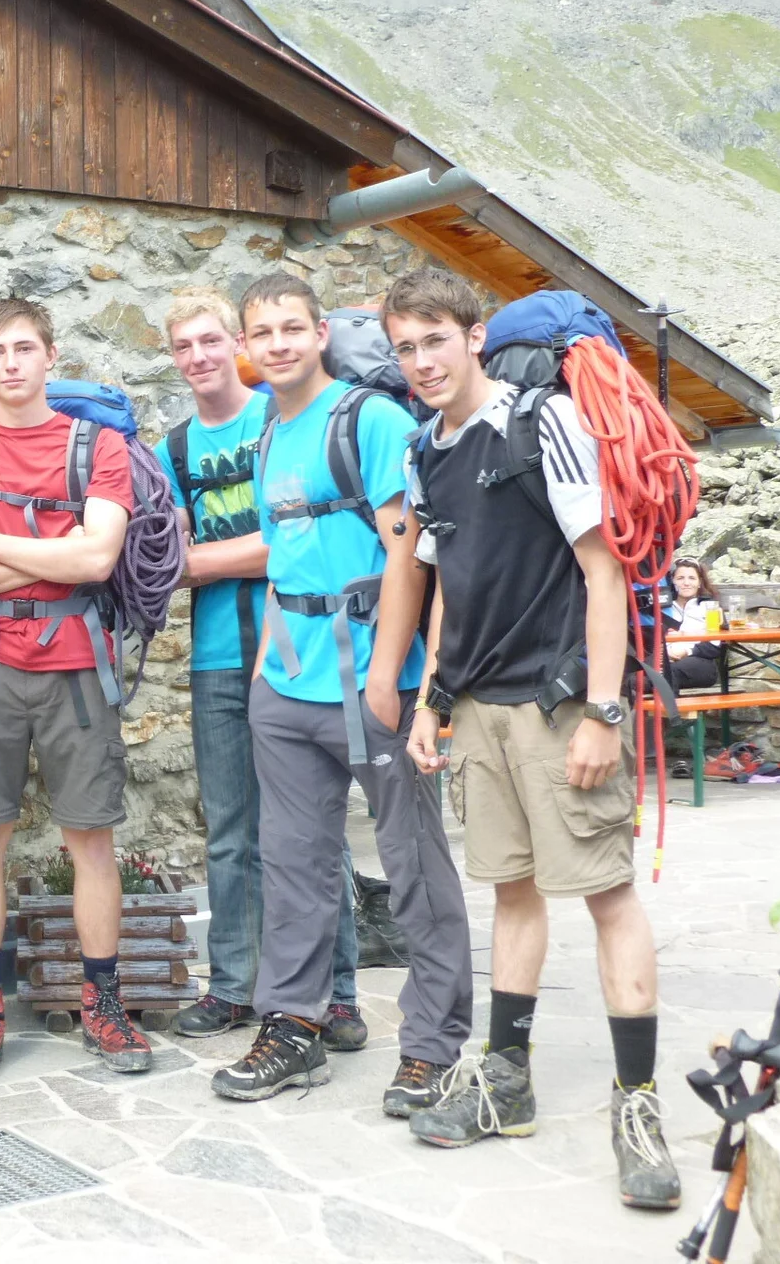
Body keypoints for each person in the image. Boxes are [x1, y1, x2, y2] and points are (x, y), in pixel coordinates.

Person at [387, 268, 679, 1208]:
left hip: (558, 706)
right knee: (513, 894)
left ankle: (637, 1105)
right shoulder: (422, 451)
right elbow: (442, 588)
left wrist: (601, 709)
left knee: (605, 893)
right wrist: (433, 700)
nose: (422, 361)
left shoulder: (539, 421)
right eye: (405, 346)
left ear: (473, 336)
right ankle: (503, 1084)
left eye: (436, 339)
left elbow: (601, 572)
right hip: (477, 707)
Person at [212, 273, 472, 1114]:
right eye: (264, 332)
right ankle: (295, 1024)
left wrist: (389, 678)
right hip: (285, 689)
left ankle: (431, 1045)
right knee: (291, 866)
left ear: (320, 331)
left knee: (413, 868)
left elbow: (408, 553)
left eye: (293, 327)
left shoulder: (371, 418)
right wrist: (262, 676)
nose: (279, 343)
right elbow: (287, 556)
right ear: (248, 346)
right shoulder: (267, 433)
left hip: (372, 685)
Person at [0, 297, 152, 1082]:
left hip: (77, 670)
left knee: (90, 838)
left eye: (25, 348)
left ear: (51, 356)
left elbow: (97, 563)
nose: (12, 363)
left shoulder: (101, 446)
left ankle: (103, 1005)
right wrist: (46, 549)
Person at [157, 295, 367, 1052]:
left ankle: (337, 993)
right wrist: (188, 564)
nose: (199, 356)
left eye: (211, 340)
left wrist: (200, 562)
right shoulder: (173, 450)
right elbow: (159, 558)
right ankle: (234, 987)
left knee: (315, 829)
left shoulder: (279, 423)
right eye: (184, 346)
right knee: (230, 831)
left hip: (297, 650)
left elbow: (291, 537)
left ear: (235, 344)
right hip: (218, 653)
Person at [667, 558, 724, 691]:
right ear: (672, 581)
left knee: (669, 673)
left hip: (700, 662)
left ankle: (671, 711)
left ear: (699, 582)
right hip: (666, 659)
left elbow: (714, 646)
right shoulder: (663, 608)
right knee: (639, 675)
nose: (686, 583)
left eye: (692, 578)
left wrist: (687, 651)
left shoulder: (710, 607)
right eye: (680, 578)